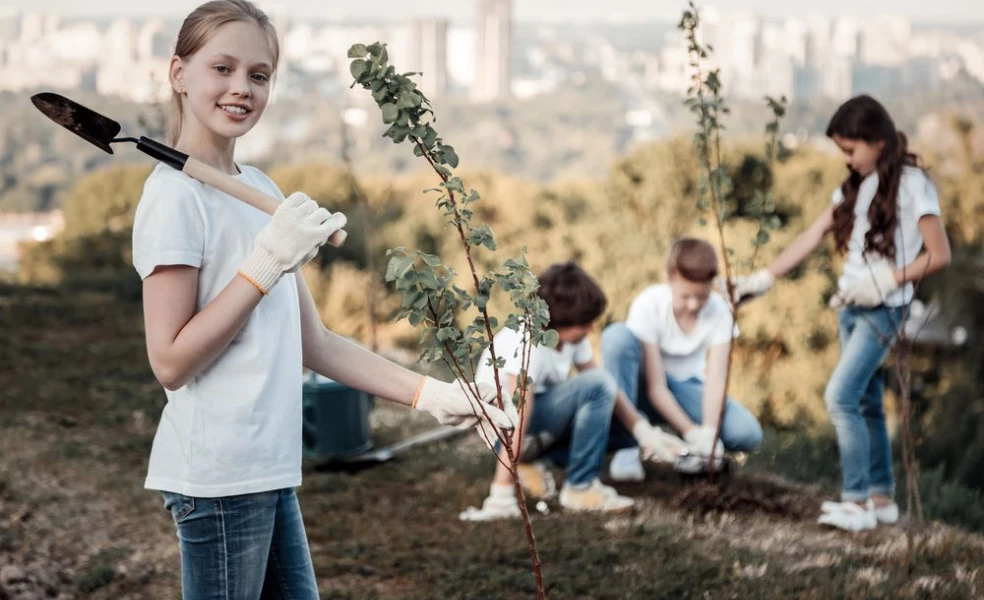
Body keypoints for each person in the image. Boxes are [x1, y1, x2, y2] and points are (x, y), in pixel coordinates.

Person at [131, 1, 514, 596]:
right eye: (222, 68)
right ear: (179, 73)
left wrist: (435, 394)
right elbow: (171, 363)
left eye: (258, 75)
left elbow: (316, 343)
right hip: (220, 477)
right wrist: (265, 264)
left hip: (268, 469)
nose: (241, 89)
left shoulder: (258, 188)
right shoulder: (173, 200)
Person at [731, 94, 951, 532]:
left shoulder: (912, 183)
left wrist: (889, 280)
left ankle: (855, 503)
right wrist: (763, 278)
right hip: (850, 307)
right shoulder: (856, 184)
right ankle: (881, 498)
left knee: (840, 397)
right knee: (866, 401)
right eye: (842, 151)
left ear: (879, 142)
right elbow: (812, 235)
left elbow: (941, 254)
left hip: (883, 310)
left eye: (852, 150)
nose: (847, 160)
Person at [460, 261, 687, 521]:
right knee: (596, 385)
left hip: (539, 431)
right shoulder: (525, 344)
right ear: (560, 320)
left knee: (624, 423)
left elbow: (607, 387)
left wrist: (644, 432)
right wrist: (501, 492)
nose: (591, 329)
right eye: (584, 323)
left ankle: (537, 463)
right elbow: (519, 415)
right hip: (507, 434)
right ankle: (580, 487)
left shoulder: (568, 340)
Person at [603, 238, 763, 482]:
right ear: (668, 279)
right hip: (644, 389)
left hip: (686, 387)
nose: (694, 304)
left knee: (747, 433)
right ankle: (628, 447)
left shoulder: (720, 311)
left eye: (702, 296)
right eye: (686, 296)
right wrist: (690, 431)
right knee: (616, 337)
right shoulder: (649, 304)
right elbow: (656, 387)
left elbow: (717, 380)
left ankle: (692, 451)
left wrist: (707, 434)